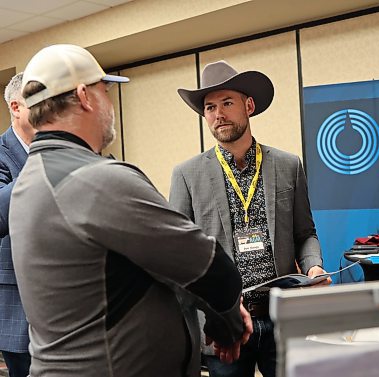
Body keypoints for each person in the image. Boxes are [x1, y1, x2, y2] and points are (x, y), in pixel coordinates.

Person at [8, 44, 252, 377]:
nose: (110, 105)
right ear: (84, 96)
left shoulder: (28, 182)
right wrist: (229, 325)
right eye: (105, 92)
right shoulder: (97, 179)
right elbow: (210, 268)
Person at [171, 60, 330, 377]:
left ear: (249, 105)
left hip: (281, 316)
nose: (219, 114)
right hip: (226, 323)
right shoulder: (187, 176)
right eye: (210, 107)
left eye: (227, 103)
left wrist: (313, 265)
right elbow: (179, 258)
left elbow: (305, 233)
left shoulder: (287, 165)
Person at [0, 72, 35, 377]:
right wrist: (44, 157)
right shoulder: (1, 153)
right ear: (16, 107)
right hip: (17, 300)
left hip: (67, 297)